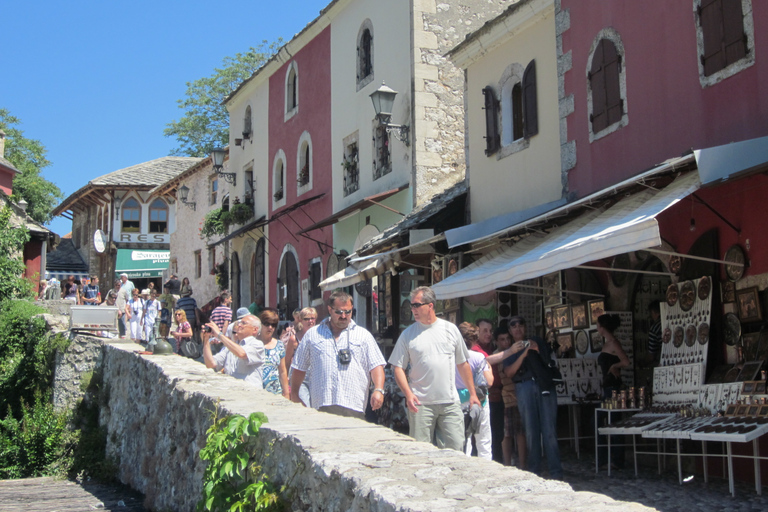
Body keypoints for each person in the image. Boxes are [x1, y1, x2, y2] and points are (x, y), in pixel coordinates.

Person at [389, 286, 480, 452]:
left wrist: (473, 394)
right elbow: (397, 367)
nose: (413, 309)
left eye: (417, 305)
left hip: (450, 402)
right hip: (420, 403)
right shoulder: (408, 334)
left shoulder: (450, 329)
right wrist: (408, 395)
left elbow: (462, 364)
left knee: (456, 447)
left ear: (430, 305)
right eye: (412, 305)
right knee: (421, 452)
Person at [290, 291, 386, 419]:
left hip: (354, 405)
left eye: (348, 312)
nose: (344, 316)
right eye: (339, 312)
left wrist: (378, 389)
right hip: (322, 405)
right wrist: (295, 394)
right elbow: (299, 367)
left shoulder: (363, 336)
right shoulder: (313, 335)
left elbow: (376, 365)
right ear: (330, 310)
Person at [502, 315, 562, 480]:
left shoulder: (536, 341)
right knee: (531, 431)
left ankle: (556, 472)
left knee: (549, 430)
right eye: (514, 326)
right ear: (510, 330)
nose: (518, 329)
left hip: (544, 386)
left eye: (521, 325)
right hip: (524, 386)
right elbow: (509, 372)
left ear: (525, 327)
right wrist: (523, 354)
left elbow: (551, 360)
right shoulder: (510, 350)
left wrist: (535, 348)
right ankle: (535, 471)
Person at [486, 326, 526, 468]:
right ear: (497, 341)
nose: (506, 342)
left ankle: (522, 465)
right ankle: (507, 464)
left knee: (521, 433)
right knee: (507, 434)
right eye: (502, 339)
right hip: (505, 397)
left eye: (507, 339)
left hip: (517, 396)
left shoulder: (514, 352)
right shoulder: (497, 355)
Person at [597, 313, 630, 470]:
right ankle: (604, 459)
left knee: (614, 423)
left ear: (602, 327)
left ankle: (617, 460)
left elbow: (625, 361)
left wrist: (614, 366)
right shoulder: (605, 344)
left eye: (598, 325)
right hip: (607, 387)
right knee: (599, 421)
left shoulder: (613, 343)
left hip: (614, 388)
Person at [456, 322, 494, 460]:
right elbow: (489, 382)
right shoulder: (478, 357)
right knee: (483, 439)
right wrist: (488, 366)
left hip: (458, 399)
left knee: (465, 439)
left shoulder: (451, 357)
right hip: (479, 400)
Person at [202, 314, 265, 388]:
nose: (239, 325)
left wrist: (219, 335)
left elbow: (241, 353)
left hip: (249, 393)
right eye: (239, 323)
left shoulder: (257, 344)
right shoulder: (230, 347)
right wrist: (206, 340)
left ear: (255, 329)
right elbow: (211, 364)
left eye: (244, 323)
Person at [475, 318, 504, 462]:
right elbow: (486, 360)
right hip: (484, 398)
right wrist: (510, 351)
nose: (488, 334)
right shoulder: (475, 349)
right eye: (484, 331)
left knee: (498, 435)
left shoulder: (491, 347)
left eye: (490, 331)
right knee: (483, 436)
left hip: (498, 397)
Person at [258, 310, 290, 398]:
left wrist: (286, 392)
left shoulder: (279, 345)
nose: (270, 327)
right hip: (257, 390)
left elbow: (282, 371)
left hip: (275, 392)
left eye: (273, 325)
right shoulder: (254, 343)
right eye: (267, 324)